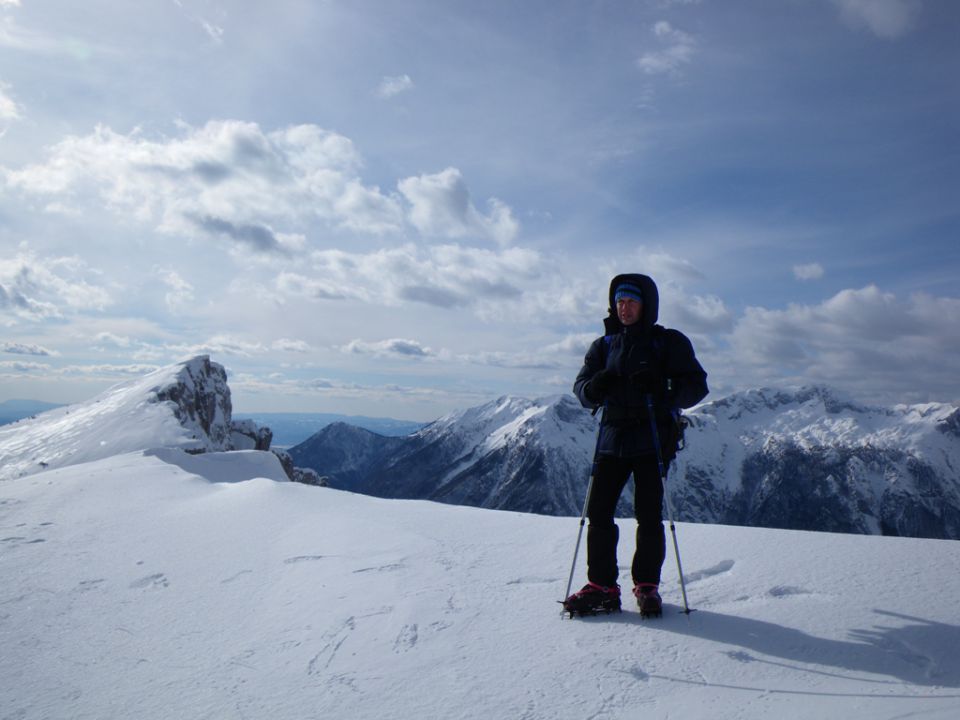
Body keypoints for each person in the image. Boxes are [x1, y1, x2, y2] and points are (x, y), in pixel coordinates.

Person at [564, 273, 708, 617]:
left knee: (648, 514)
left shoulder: (667, 343)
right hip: (613, 439)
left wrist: (663, 387)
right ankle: (603, 585)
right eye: (619, 301)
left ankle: (645, 585)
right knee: (598, 513)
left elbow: (697, 387)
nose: (624, 308)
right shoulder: (603, 346)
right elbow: (581, 389)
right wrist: (594, 387)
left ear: (646, 305)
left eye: (631, 301)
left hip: (652, 439)